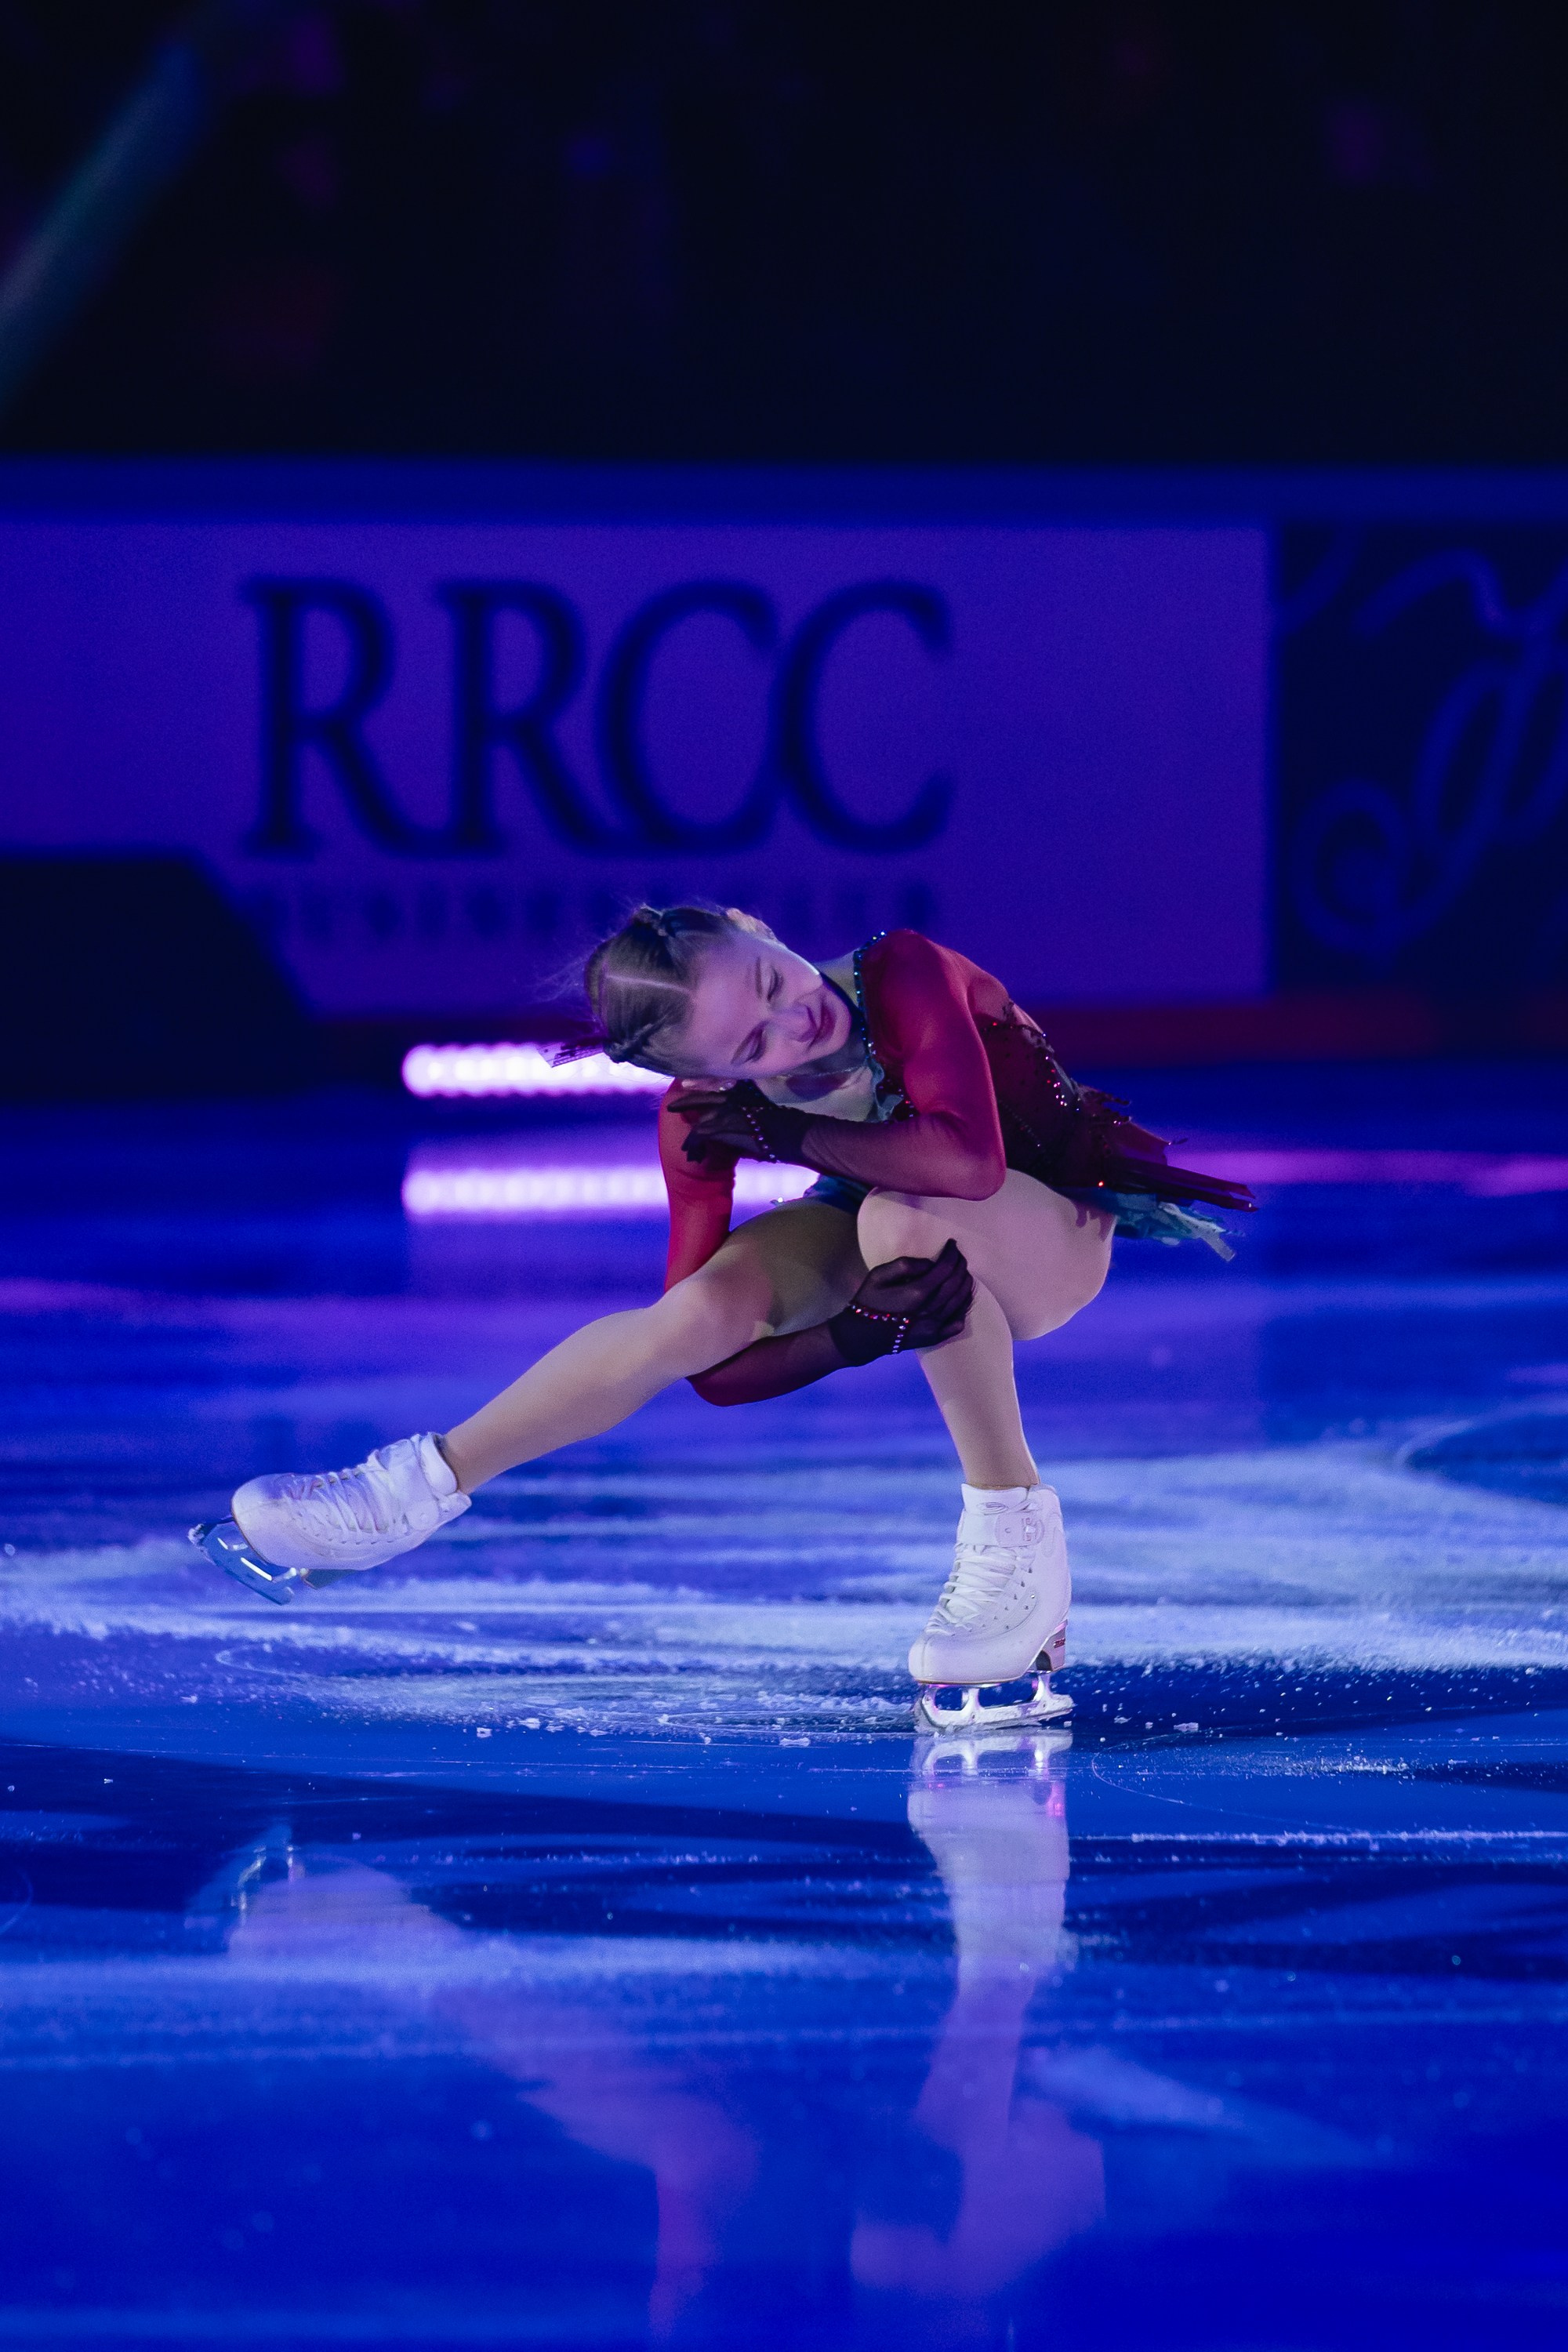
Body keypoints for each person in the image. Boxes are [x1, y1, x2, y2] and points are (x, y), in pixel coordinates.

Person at [200, 906, 1251, 1728]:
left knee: (903, 1213)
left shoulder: (899, 974)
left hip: (1051, 1230)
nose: (794, 1020)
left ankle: (1015, 1540)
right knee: (703, 1307)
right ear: (708, 1077)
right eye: (752, 1045)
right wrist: (852, 1337)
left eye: (771, 983)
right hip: (880, 1219)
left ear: (757, 927)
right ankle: (409, 1491)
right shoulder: (700, 1120)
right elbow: (716, 1367)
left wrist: (783, 1137)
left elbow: (967, 1163)